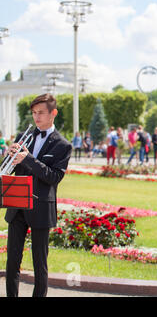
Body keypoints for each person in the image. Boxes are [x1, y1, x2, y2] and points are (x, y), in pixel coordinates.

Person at [4, 93, 72, 297]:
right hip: (17, 205)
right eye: (34, 112)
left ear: (53, 113)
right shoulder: (23, 137)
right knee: (12, 261)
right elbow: (7, 170)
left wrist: (28, 159)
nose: (36, 117)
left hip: (41, 207)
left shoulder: (63, 145)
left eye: (41, 112)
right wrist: (8, 155)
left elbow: (53, 177)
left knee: (39, 263)